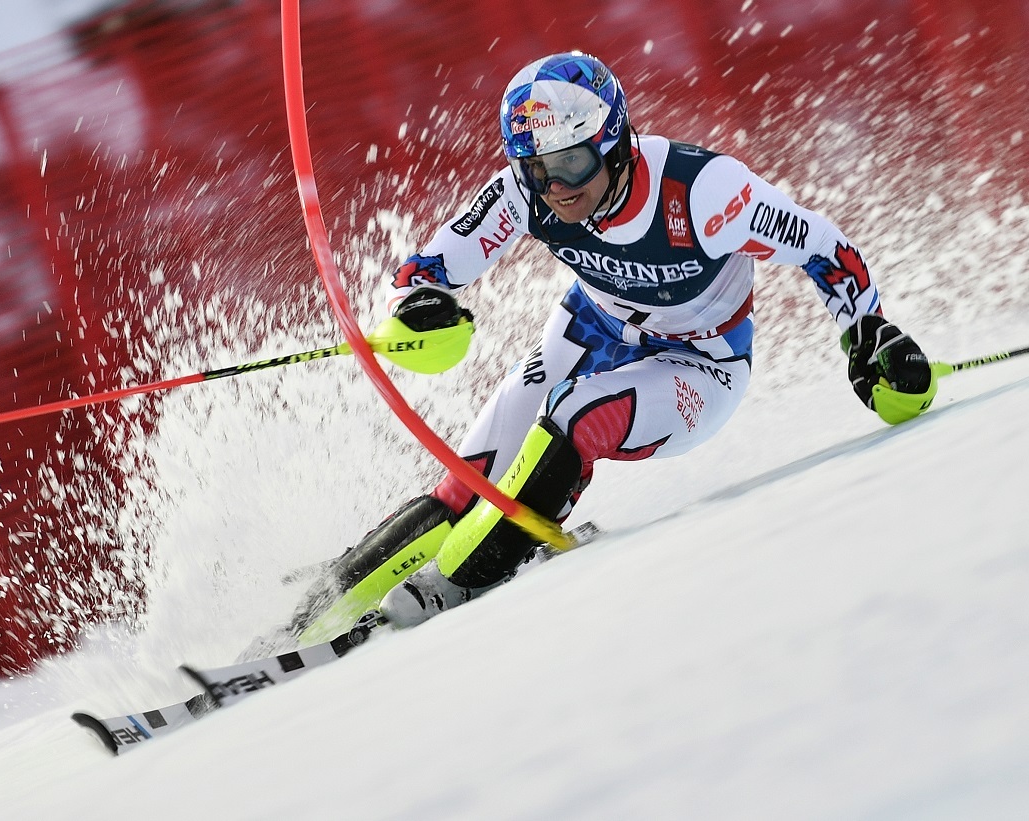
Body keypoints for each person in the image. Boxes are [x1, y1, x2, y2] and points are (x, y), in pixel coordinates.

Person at [286, 50, 934, 644]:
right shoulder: (524, 192)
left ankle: (456, 583)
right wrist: (417, 306)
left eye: (571, 163)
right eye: (537, 169)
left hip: (699, 364)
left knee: (575, 416)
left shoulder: (704, 192)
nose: (557, 188)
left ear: (615, 140)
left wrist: (866, 328)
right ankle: (320, 606)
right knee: (470, 479)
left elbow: (823, 248)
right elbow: (425, 270)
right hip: (590, 332)